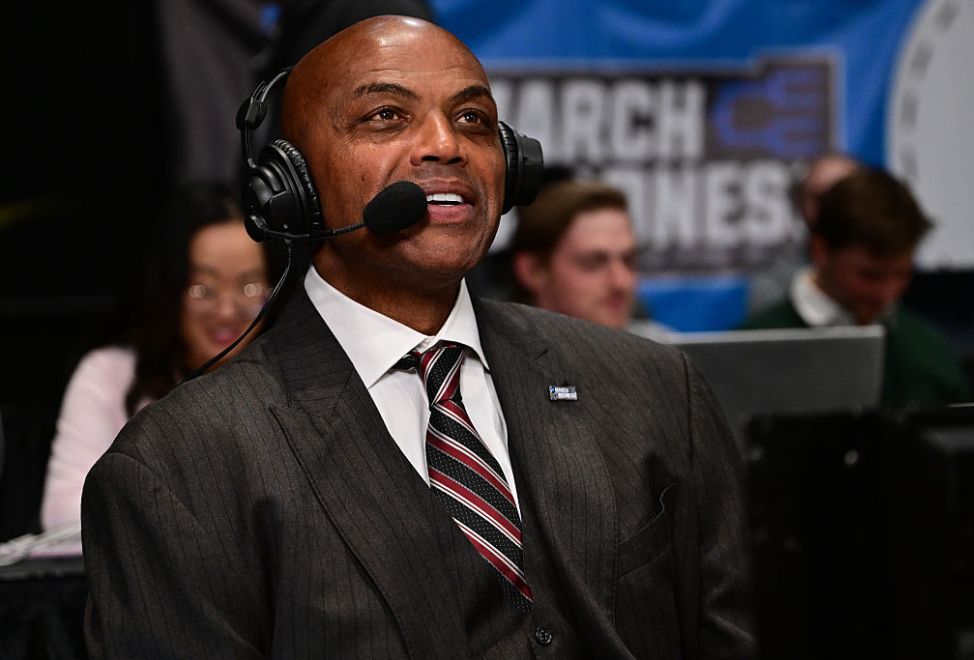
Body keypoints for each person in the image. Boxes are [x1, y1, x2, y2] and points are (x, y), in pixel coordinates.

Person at [82, 16, 754, 658]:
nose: (446, 145)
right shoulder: (177, 466)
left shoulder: (654, 389)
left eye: (474, 120)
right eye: (387, 117)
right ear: (291, 184)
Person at [41, 183, 270, 530]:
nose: (226, 311)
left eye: (249, 287)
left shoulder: (293, 379)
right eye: (202, 289)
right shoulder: (111, 374)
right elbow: (64, 517)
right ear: (169, 289)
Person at [741, 167, 969, 408]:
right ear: (821, 251)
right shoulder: (749, 352)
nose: (887, 292)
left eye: (902, 273)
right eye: (870, 275)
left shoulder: (926, 348)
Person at [510, 179, 676, 340]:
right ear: (533, 271)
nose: (621, 282)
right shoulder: (498, 359)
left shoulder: (667, 352)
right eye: (593, 263)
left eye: (628, 260)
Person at [747, 152, 862, 315]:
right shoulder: (774, 286)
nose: (830, 208)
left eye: (843, 196)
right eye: (819, 198)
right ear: (800, 204)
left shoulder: (895, 276)